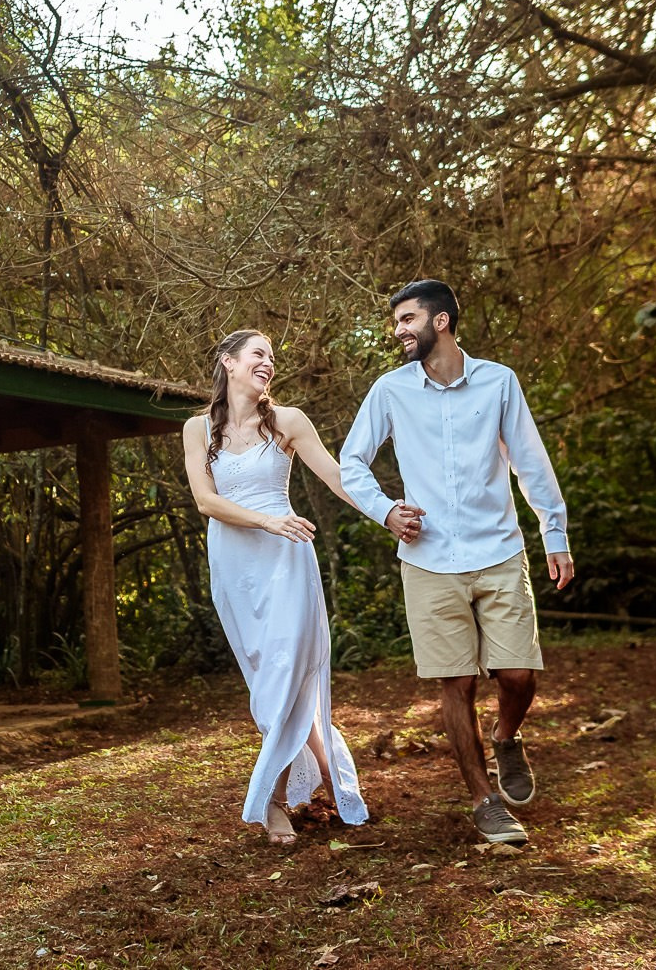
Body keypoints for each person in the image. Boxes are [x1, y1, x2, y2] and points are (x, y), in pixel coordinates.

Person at [339, 279, 574, 847]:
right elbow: (352, 461)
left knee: (520, 675)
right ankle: (484, 800)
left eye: (408, 319)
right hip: (427, 562)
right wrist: (387, 511)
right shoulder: (390, 391)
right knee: (456, 684)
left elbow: (530, 462)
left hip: (498, 551)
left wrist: (555, 531)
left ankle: (507, 736)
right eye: (396, 321)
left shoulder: (498, 381)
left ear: (440, 322)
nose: (398, 330)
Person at [182, 329, 369, 845]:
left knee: (287, 676)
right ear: (229, 362)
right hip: (235, 567)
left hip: (288, 562)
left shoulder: (288, 421)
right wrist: (265, 521)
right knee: (270, 686)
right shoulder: (198, 430)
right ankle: (335, 778)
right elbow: (205, 501)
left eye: (272, 357)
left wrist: (390, 512)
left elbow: (338, 479)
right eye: (258, 354)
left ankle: (273, 802)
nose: (268, 363)